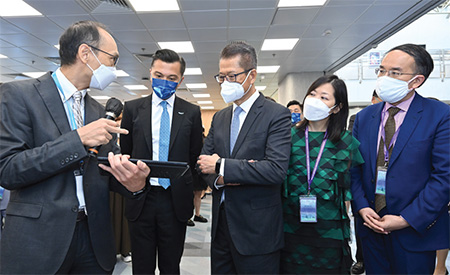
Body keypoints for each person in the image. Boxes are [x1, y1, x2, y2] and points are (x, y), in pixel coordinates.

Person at [0, 20, 150, 274]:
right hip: (39, 239)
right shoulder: (18, 95)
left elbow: (103, 172)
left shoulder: (98, 111)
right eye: (112, 58)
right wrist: (77, 139)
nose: (115, 67)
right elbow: (9, 169)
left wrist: (133, 183)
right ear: (85, 53)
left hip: (93, 240)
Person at [351, 43, 450, 274]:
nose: (384, 78)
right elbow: (354, 170)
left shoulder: (440, 115)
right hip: (371, 227)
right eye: (382, 71)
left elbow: (444, 177)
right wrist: (362, 207)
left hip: (414, 231)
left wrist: (406, 219)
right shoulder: (365, 118)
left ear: (416, 81)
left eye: (394, 73)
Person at [197, 41, 291, 274]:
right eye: (221, 77)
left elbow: (275, 169)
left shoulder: (276, 114)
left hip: (257, 230)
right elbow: (203, 163)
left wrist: (222, 166)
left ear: (252, 75)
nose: (226, 83)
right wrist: (223, 177)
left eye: (232, 76)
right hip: (221, 228)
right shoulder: (220, 117)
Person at [120, 49, 203, 274]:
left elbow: (195, 156)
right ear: (150, 73)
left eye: (171, 78)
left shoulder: (192, 112)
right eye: (159, 75)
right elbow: (126, 153)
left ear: (181, 80)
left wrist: (189, 188)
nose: (164, 81)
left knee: (170, 266)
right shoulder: (133, 109)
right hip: (141, 198)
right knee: (142, 266)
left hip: (175, 201)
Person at [281, 75, 364, 274]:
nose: (314, 100)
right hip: (289, 225)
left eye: (324, 97)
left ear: (336, 107)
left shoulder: (346, 142)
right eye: (312, 94)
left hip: (330, 230)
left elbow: (355, 184)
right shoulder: (287, 136)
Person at [348, 90, 382, 275]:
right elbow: (354, 165)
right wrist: (360, 205)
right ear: (373, 99)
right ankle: (361, 259)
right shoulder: (360, 119)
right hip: (367, 192)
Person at [188, 127, 209, 227]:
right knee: (193, 194)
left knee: (196, 193)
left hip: (199, 171)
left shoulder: (205, 141)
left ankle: (196, 214)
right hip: (193, 170)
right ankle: (190, 215)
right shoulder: (191, 140)